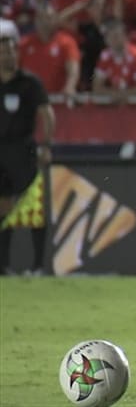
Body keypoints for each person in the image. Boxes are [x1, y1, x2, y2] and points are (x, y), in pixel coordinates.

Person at [0, 33, 55, 275]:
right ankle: (3, 266)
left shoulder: (30, 83)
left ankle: (38, 266)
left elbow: (47, 114)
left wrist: (47, 145)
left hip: (24, 150)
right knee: (3, 206)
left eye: (12, 51)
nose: (8, 56)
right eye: (4, 52)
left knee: (34, 206)